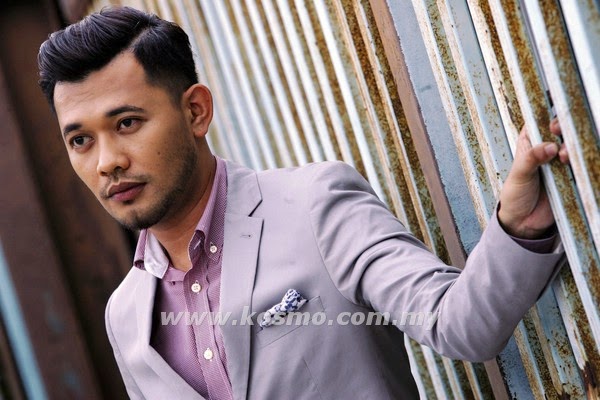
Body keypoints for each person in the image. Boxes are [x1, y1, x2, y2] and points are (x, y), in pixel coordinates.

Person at [37, 6, 568, 400]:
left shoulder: (314, 205)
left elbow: (461, 325)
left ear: (196, 111)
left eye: (127, 123)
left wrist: (520, 225)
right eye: (80, 140)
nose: (107, 162)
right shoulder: (125, 316)